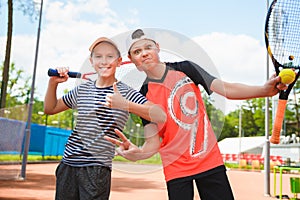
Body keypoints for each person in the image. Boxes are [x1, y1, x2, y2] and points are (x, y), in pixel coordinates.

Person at [104, 29, 288, 200]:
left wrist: (263, 90)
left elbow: (227, 89)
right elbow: (152, 142)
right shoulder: (142, 95)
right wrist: (139, 153)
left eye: (148, 47)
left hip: (209, 161)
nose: (144, 53)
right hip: (176, 169)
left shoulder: (187, 68)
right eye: (137, 52)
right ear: (132, 59)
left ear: (157, 48)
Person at [44, 36, 166, 200]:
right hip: (68, 165)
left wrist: (125, 104)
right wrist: (53, 84)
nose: (104, 61)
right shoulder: (82, 90)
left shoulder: (125, 92)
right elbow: (50, 109)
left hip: (97, 168)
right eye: (98, 56)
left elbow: (160, 114)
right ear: (91, 61)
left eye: (110, 56)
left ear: (119, 61)